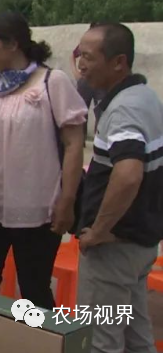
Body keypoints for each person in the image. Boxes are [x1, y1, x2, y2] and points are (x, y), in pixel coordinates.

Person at [0, 12, 86, 309]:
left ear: (13, 44)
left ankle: (41, 342)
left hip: (37, 208)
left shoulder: (51, 82)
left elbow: (73, 144)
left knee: (34, 286)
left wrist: (66, 200)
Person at [75, 23, 163, 353]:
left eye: (88, 57)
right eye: (78, 55)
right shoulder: (145, 96)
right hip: (139, 245)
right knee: (133, 333)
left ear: (118, 62)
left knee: (101, 340)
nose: (81, 65)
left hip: (115, 248)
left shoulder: (123, 109)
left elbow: (128, 175)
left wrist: (99, 230)